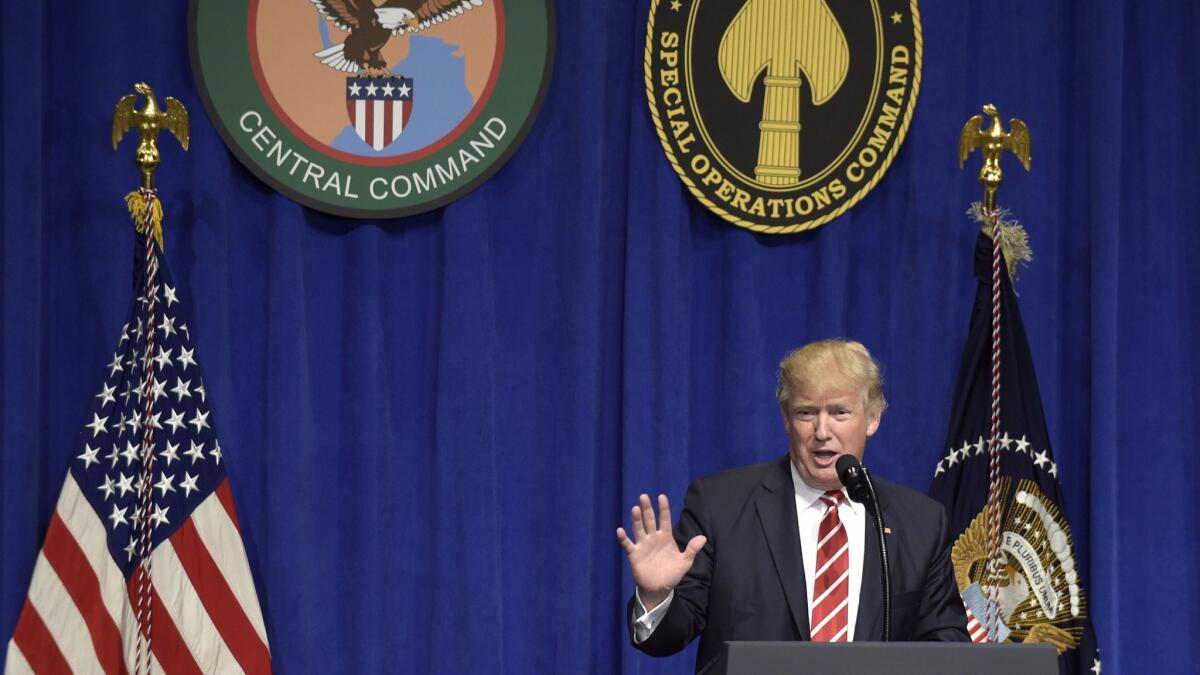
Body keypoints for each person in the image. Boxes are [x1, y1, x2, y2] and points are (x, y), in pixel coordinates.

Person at [616, 339, 969, 672]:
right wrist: (656, 596)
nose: (822, 431)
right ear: (786, 418)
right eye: (806, 413)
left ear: (873, 418)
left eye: (840, 412)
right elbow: (668, 638)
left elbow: (946, 644)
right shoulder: (720, 506)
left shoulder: (920, 522)